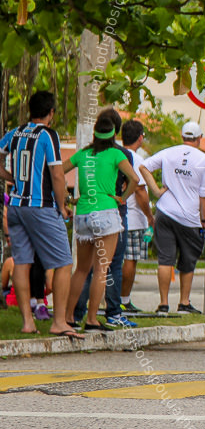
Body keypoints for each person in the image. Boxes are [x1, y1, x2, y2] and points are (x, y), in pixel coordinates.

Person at [0, 91, 80, 338]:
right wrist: (63, 204)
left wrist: (10, 178)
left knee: (22, 263)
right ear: (51, 113)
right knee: (63, 262)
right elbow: (57, 175)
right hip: (41, 206)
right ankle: (59, 322)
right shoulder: (48, 135)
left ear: (29, 109)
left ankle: (27, 322)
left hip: (15, 206)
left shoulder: (15, 132)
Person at [63, 115, 139, 331]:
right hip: (106, 213)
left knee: (81, 270)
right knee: (101, 269)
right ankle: (92, 320)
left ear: (94, 133)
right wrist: (123, 198)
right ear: (113, 134)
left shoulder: (83, 154)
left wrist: (67, 199)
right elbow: (134, 179)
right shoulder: (116, 154)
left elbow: (57, 172)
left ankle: (68, 317)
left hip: (83, 214)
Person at [139, 120, 205, 314]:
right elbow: (204, 196)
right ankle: (184, 303)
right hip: (189, 218)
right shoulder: (204, 160)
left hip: (165, 212)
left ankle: (163, 304)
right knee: (187, 261)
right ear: (199, 139)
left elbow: (144, 167)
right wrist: (203, 220)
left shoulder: (169, 152)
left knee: (165, 260)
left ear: (182, 137)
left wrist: (156, 190)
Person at [119, 119, 153, 314]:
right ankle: (124, 300)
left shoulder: (116, 155)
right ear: (140, 138)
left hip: (116, 215)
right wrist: (149, 216)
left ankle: (113, 299)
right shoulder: (137, 160)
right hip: (132, 218)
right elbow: (140, 192)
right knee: (130, 259)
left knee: (114, 260)